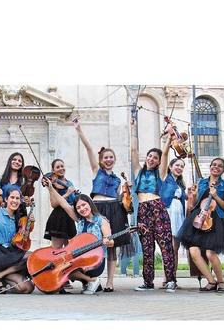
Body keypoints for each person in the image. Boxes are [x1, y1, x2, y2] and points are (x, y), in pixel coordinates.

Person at [74, 118, 133, 292]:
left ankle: (110, 282)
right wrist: (79, 130)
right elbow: (89, 148)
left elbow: (119, 198)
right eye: (105, 157)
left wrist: (126, 191)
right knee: (94, 243)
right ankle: (92, 277)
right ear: (101, 159)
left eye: (111, 157)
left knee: (111, 246)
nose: (108, 159)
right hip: (98, 207)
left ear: (114, 160)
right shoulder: (96, 171)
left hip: (114, 209)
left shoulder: (117, 178)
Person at [129, 118, 177, 292]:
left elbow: (165, 154)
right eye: (150, 156)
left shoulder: (161, 173)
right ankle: (148, 282)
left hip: (157, 207)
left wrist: (170, 138)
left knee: (165, 244)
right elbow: (133, 150)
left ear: (158, 162)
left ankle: (171, 280)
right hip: (143, 210)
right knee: (147, 247)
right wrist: (133, 127)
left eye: (154, 158)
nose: (151, 159)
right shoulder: (138, 172)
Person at [42, 176, 111, 295]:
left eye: (84, 205)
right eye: (78, 207)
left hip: (96, 261)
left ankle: (92, 279)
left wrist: (108, 242)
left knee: (67, 269)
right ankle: (90, 282)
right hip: (81, 259)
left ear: (90, 204)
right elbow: (63, 203)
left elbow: (111, 241)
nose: (82, 209)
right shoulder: (80, 221)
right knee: (62, 265)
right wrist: (51, 188)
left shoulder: (101, 221)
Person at [176, 157, 224, 292]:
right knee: (193, 251)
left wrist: (216, 196)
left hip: (215, 221)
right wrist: (194, 195)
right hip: (199, 218)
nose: (216, 167)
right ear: (210, 167)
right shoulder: (201, 182)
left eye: (220, 166)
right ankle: (211, 281)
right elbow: (195, 204)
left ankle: (221, 281)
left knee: (210, 253)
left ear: (223, 170)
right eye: (214, 165)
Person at [158, 139, 187, 288]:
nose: (179, 168)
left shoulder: (181, 185)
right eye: (177, 165)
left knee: (175, 249)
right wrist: (168, 142)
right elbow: (163, 156)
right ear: (170, 167)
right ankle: (166, 278)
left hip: (179, 216)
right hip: (167, 214)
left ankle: (173, 278)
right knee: (166, 248)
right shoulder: (164, 179)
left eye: (182, 166)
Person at [43, 159, 78, 248]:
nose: (61, 168)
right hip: (59, 218)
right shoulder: (53, 185)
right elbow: (54, 204)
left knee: (70, 250)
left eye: (62, 166)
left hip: (70, 218)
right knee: (57, 250)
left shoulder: (69, 183)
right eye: (57, 167)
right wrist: (67, 194)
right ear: (53, 171)